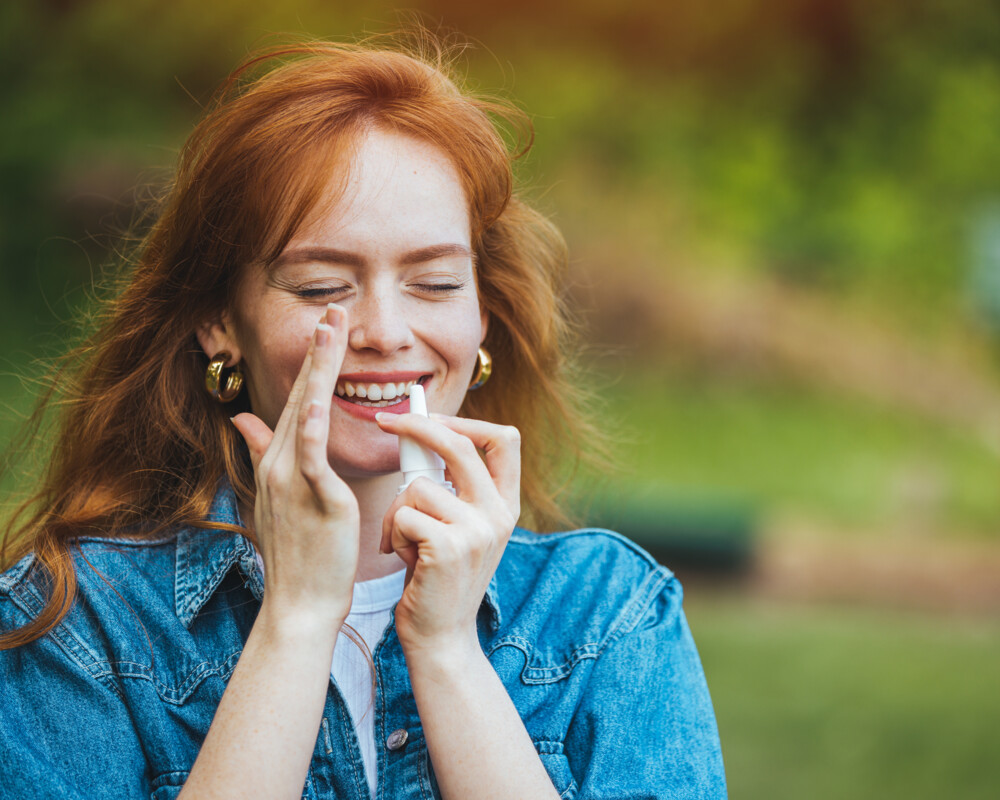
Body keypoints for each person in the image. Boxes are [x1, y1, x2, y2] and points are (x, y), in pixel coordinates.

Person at [0, 36, 727, 799]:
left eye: (436, 282)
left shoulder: (609, 614)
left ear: (483, 318)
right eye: (320, 288)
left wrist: (446, 649)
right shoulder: (78, 626)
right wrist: (297, 620)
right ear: (219, 322)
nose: (383, 330)